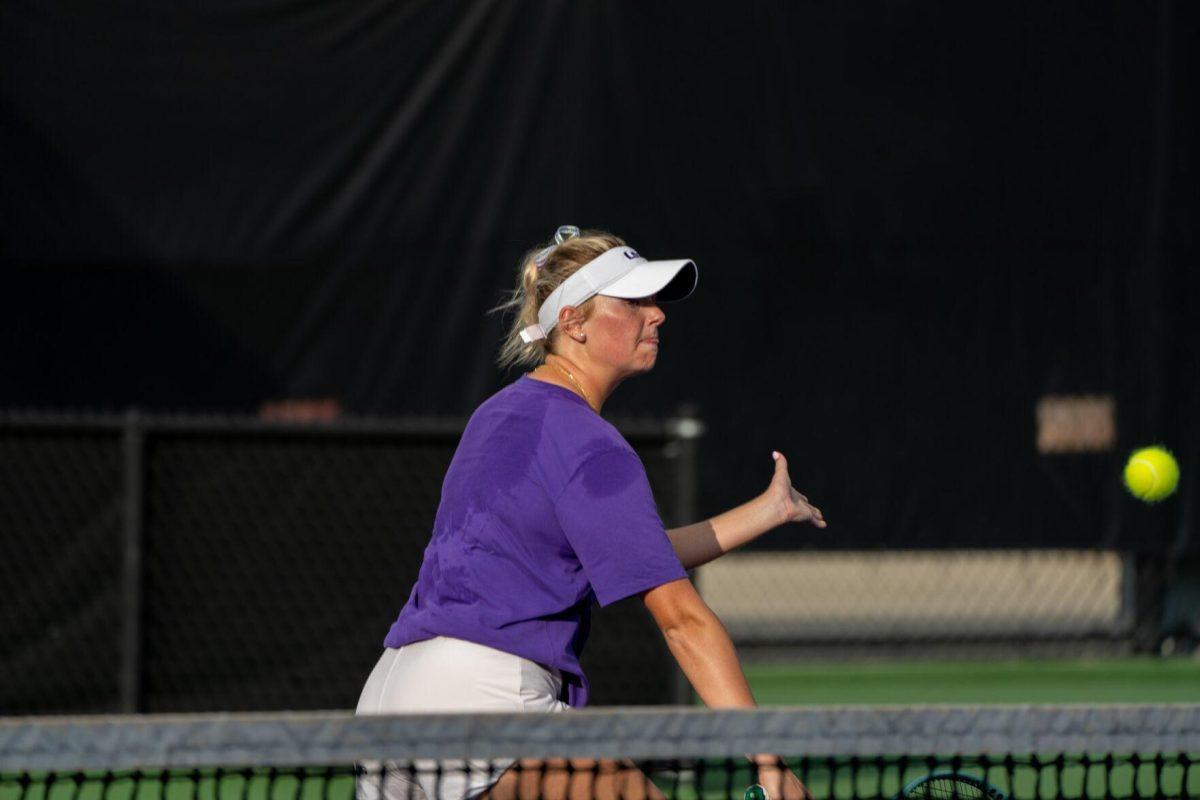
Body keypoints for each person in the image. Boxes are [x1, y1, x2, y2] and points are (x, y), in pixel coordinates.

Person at [356, 226, 826, 800]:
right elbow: (683, 621)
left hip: (388, 704)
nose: (656, 316)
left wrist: (767, 510)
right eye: (633, 302)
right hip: (488, 704)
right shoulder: (591, 443)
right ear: (574, 322)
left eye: (654, 303)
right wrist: (770, 763)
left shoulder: (497, 416)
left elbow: (629, 553)